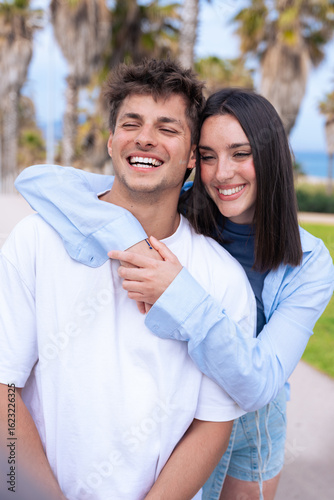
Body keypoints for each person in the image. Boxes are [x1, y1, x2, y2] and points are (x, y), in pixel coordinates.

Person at [16, 87, 334, 500]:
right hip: (182, 410)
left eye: (241, 154)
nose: (222, 173)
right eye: (207, 156)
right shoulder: (178, 203)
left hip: (255, 419)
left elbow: (259, 383)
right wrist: (130, 242)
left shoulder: (309, 261)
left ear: (271, 157)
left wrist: (180, 294)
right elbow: (46, 183)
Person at [0, 60, 257, 500]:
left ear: (193, 155)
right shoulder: (36, 240)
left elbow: (213, 421)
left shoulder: (222, 279)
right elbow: (5, 392)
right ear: (111, 141)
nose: (145, 138)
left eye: (167, 128)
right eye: (131, 123)